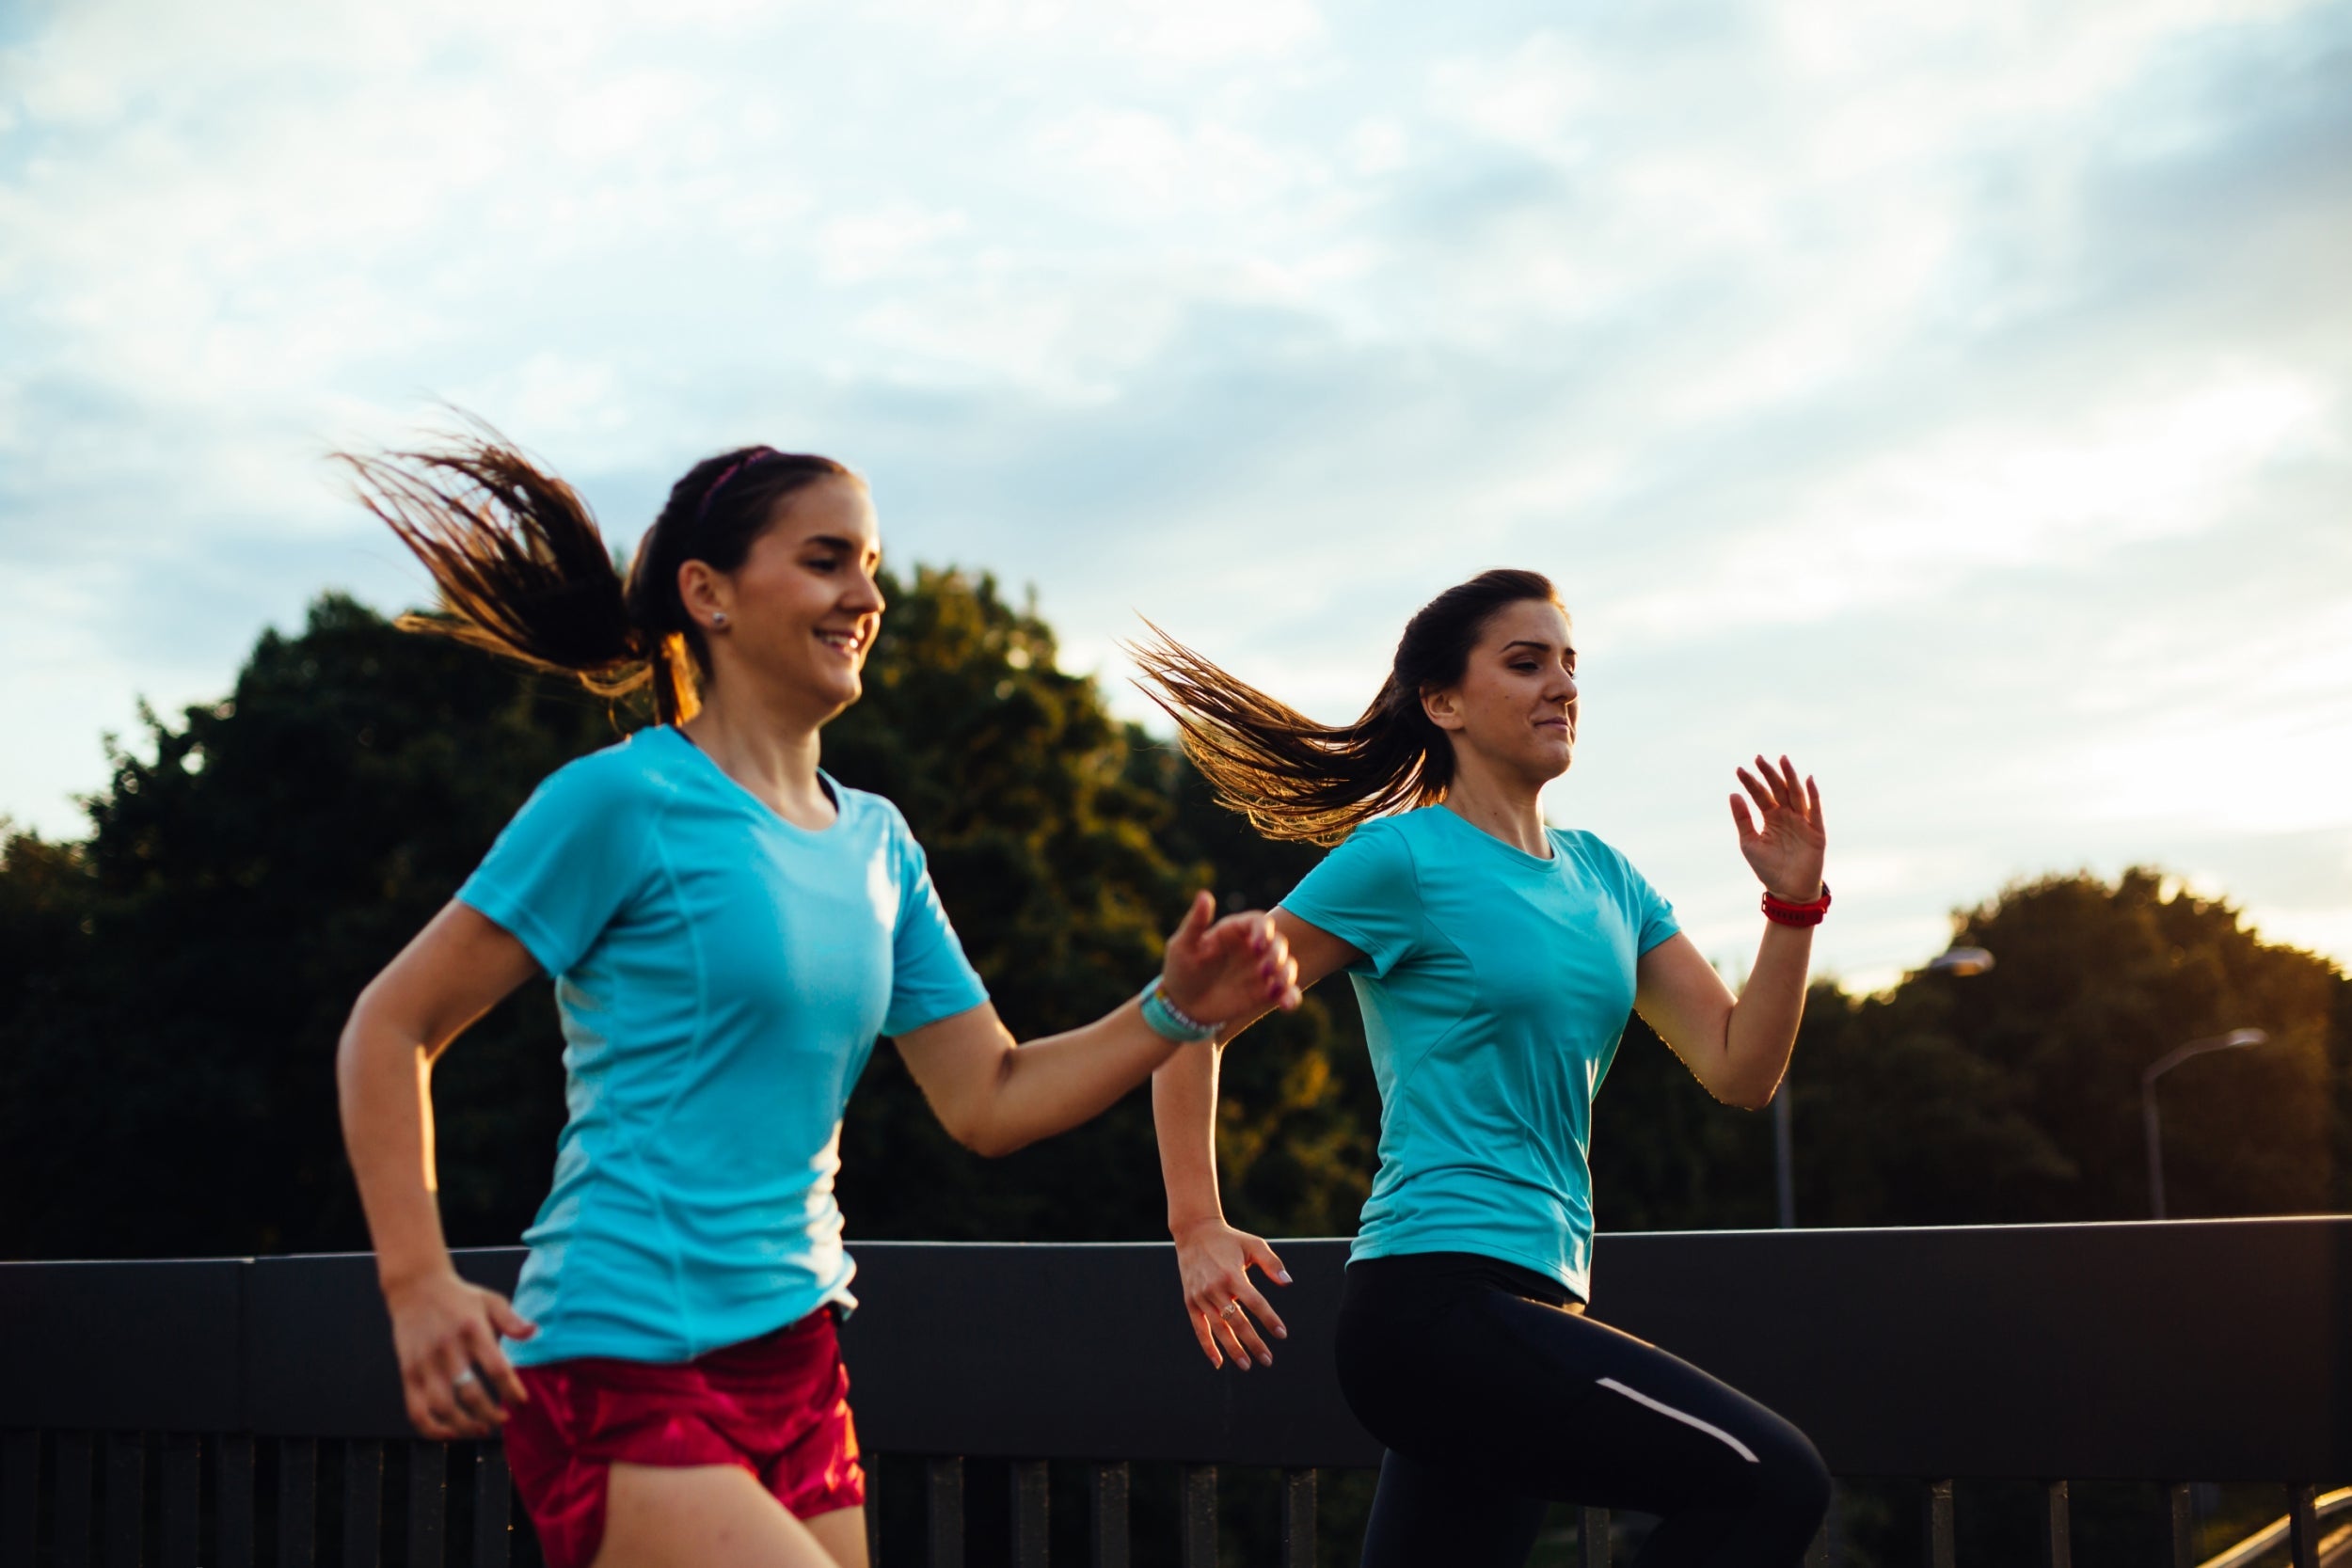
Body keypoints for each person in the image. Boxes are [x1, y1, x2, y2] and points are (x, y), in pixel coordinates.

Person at [333, 428, 1302, 1568]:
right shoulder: (622, 799)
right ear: (710, 593)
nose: (867, 594)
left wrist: (1173, 1009)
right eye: (828, 558)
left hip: (795, 1358)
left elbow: (989, 1095)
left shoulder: (879, 842)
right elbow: (392, 1025)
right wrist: (416, 1282)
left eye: (872, 563)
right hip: (620, 1348)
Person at [1134, 568, 1833, 1567]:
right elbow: (1192, 1018)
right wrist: (1195, 1222)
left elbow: (1737, 1067)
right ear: (1443, 701)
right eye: (1525, 661)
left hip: (1536, 1303)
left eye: (1568, 663)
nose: (1561, 685)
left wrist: (1792, 909)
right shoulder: (1403, 859)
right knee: (1770, 1478)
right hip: (1434, 1307)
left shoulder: (1608, 877)